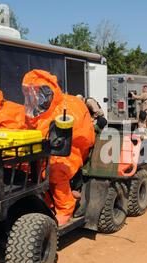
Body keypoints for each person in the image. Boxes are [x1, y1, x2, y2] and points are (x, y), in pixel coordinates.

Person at [23, 70, 95, 226]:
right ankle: (47, 204)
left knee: (55, 170)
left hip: (69, 150)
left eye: (39, 93)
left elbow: (81, 136)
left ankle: (65, 208)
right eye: (33, 93)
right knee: (28, 169)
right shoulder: (34, 111)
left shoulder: (69, 107)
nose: (36, 97)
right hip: (42, 150)